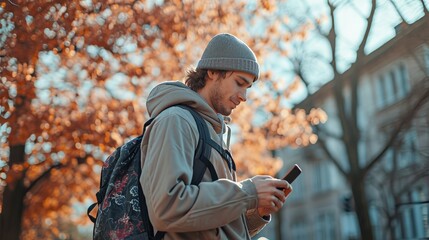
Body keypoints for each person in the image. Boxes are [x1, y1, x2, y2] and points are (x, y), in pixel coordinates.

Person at [140, 33, 292, 239]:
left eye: (248, 88)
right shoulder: (176, 120)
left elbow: (211, 222)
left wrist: (257, 211)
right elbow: (167, 208)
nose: (244, 96)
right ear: (212, 71)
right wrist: (247, 192)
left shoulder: (214, 134)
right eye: (239, 82)